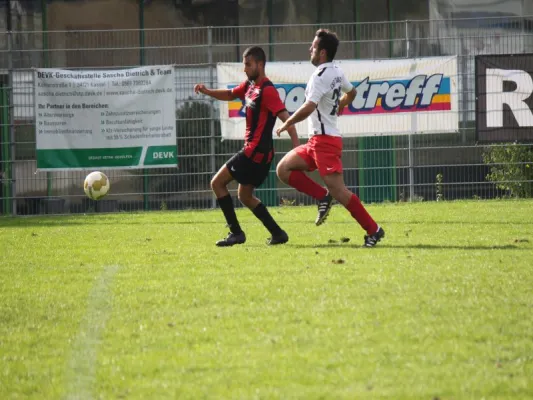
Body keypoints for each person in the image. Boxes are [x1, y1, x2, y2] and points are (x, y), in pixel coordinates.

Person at [276, 29, 385, 247]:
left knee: (340, 191)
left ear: (322, 53)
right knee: (283, 169)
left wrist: (289, 122)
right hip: (317, 141)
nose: (310, 49)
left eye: (313, 46)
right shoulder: (336, 70)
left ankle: (374, 230)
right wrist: (341, 104)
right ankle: (322, 197)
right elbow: (352, 93)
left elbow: (309, 107)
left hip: (325, 143)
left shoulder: (319, 76)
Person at [194, 46, 299, 247]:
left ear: (260, 64)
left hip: (254, 154)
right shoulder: (250, 86)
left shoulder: (268, 91)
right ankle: (278, 234)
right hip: (258, 155)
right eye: (244, 65)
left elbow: (288, 121)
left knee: (217, 183)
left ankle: (236, 233)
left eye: (248, 65)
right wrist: (207, 91)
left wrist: (296, 150)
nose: (245, 69)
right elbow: (229, 94)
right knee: (244, 196)